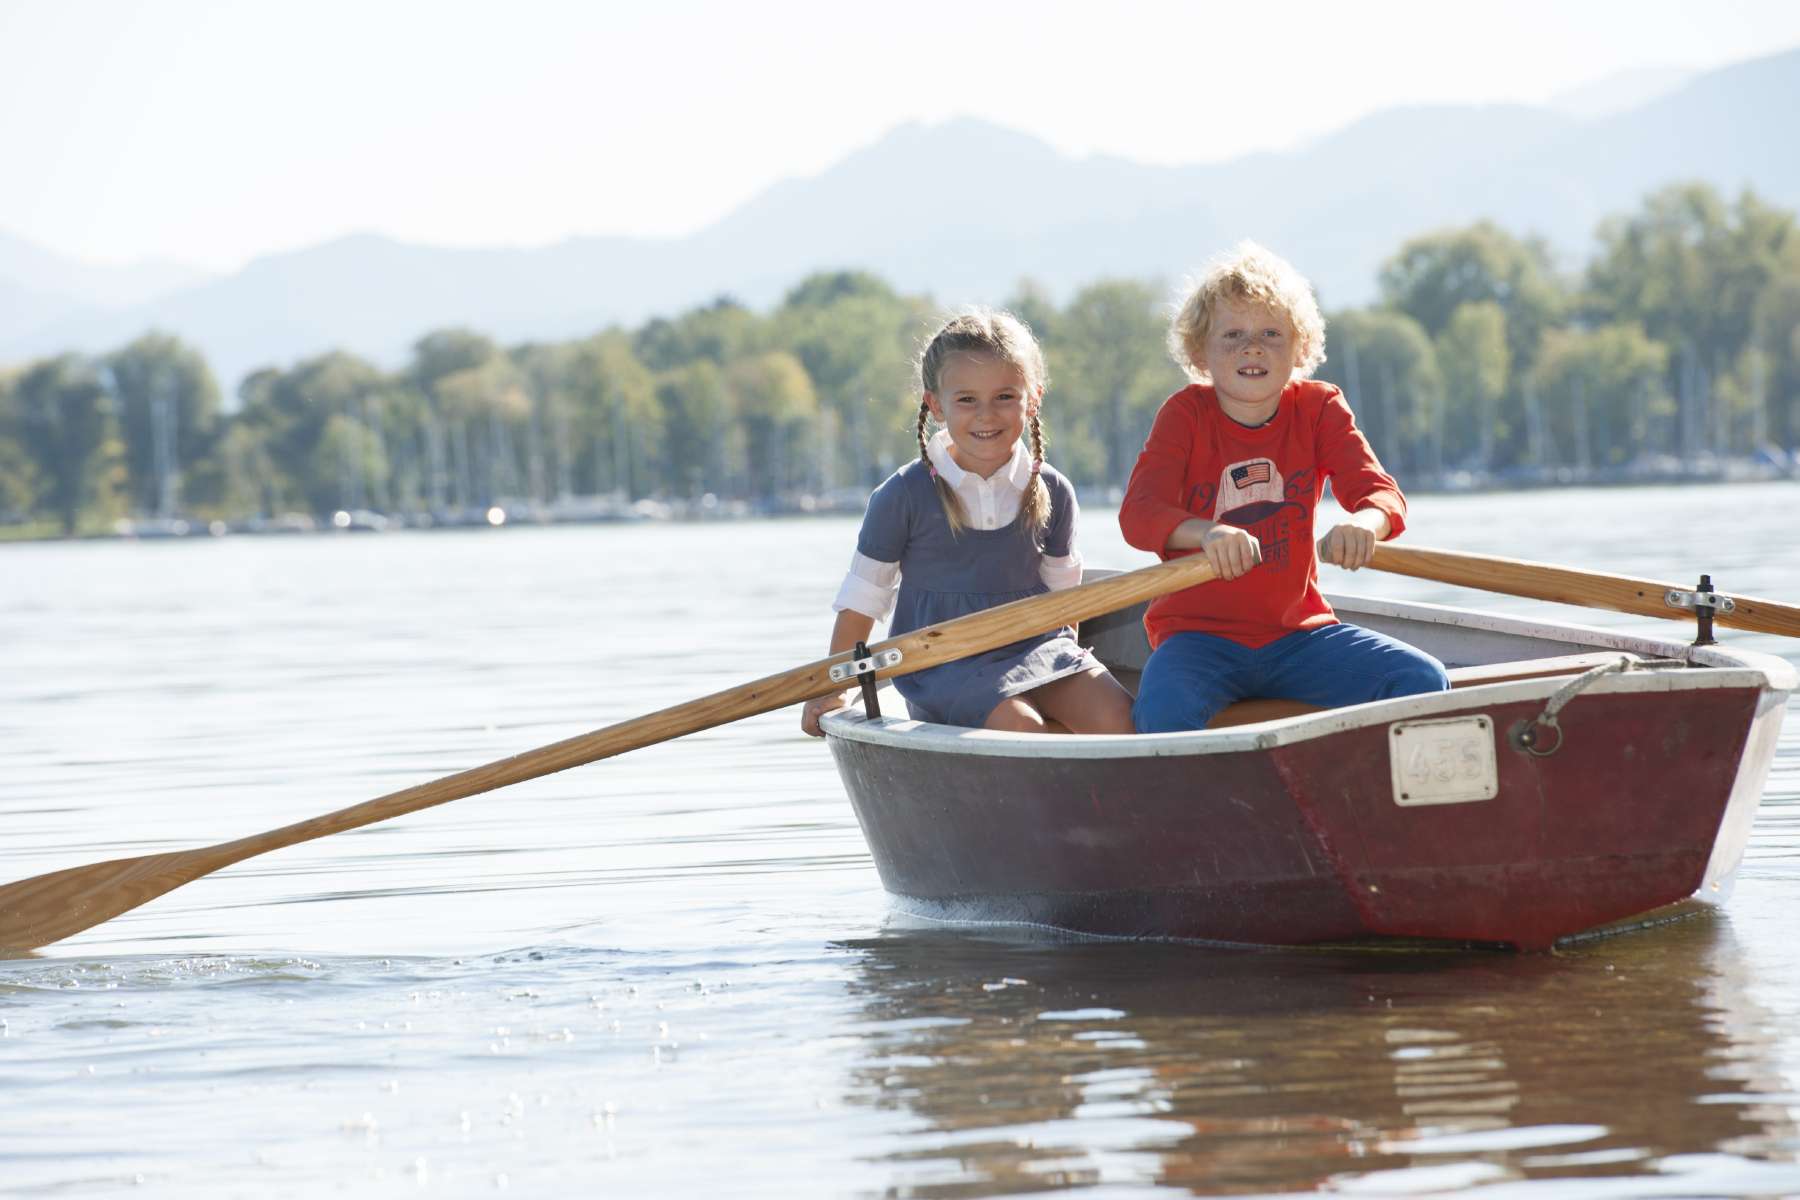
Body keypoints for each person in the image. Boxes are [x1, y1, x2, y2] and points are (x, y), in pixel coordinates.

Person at [1118, 242, 1449, 733]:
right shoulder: (1185, 414)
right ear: (1199, 353)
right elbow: (1139, 515)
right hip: (1196, 639)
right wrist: (1207, 534)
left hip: (1298, 636)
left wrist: (1363, 524)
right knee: (1162, 711)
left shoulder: (1319, 409)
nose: (1252, 348)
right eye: (1232, 335)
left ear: (1300, 348)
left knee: (1422, 680)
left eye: (1272, 333)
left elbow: (1382, 496)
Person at [800, 310, 1135, 737]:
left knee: (1121, 718)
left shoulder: (1054, 490)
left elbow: (1063, 605)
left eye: (1004, 397)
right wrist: (834, 689)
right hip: (944, 661)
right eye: (967, 400)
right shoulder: (902, 496)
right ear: (936, 405)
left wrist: (1066, 681)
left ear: (1032, 399)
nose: (986, 415)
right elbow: (862, 601)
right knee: (1021, 728)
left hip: (1039, 647)